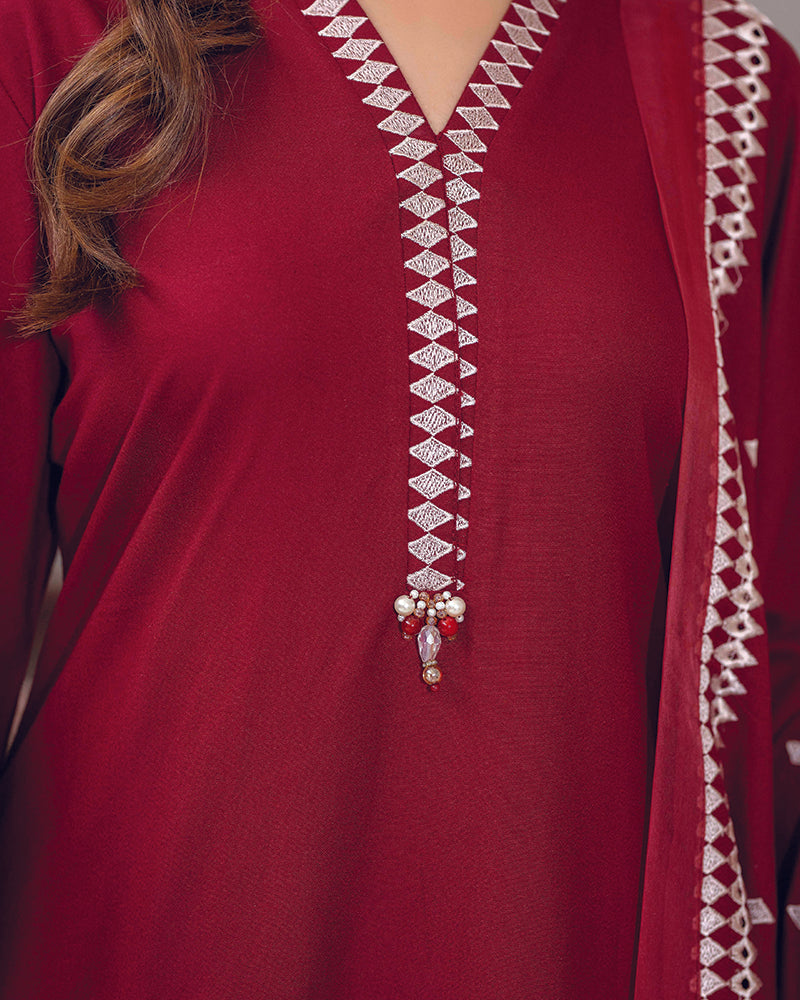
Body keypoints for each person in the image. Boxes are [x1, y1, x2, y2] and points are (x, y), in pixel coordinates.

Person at [0, 0, 798, 996]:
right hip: (140, 943)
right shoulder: (52, 38)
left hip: (559, 942)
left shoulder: (726, 95)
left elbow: (772, 662)